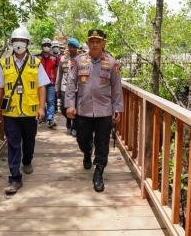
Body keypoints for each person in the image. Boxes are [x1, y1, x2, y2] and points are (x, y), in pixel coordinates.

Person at [0, 26, 50, 195]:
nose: (19, 44)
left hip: (30, 110)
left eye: (22, 41)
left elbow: (42, 87)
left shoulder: (35, 63)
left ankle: (27, 160)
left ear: (27, 43)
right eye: (16, 41)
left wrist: (41, 107)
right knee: (13, 144)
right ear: (12, 43)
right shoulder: (4, 63)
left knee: (29, 140)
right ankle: (15, 178)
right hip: (10, 112)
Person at [65, 29, 124, 192]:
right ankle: (86, 151)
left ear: (103, 43)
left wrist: (117, 108)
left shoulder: (112, 63)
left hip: (104, 111)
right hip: (82, 109)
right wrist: (70, 104)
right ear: (87, 43)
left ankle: (98, 172)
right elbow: (71, 84)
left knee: (102, 143)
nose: (95, 44)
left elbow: (117, 87)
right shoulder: (79, 61)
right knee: (82, 140)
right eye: (92, 41)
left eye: (98, 41)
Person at [56, 38, 80, 136]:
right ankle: (68, 120)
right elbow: (59, 74)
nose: (71, 49)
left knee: (75, 107)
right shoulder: (63, 59)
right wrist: (57, 86)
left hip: (76, 88)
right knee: (63, 107)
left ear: (76, 48)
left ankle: (74, 126)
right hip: (64, 87)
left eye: (73, 47)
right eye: (70, 47)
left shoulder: (80, 59)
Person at [34, 38, 59, 128]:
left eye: (48, 46)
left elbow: (56, 71)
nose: (46, 47)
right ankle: (42, 116)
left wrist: (57, 84)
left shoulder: (54, 58)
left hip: (51, 82)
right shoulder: (36, 58)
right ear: (41, 46)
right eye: (45, 45)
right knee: (40, 101)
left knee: (50, 101)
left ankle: (50, 118)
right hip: (39, 83)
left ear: (50, 47)